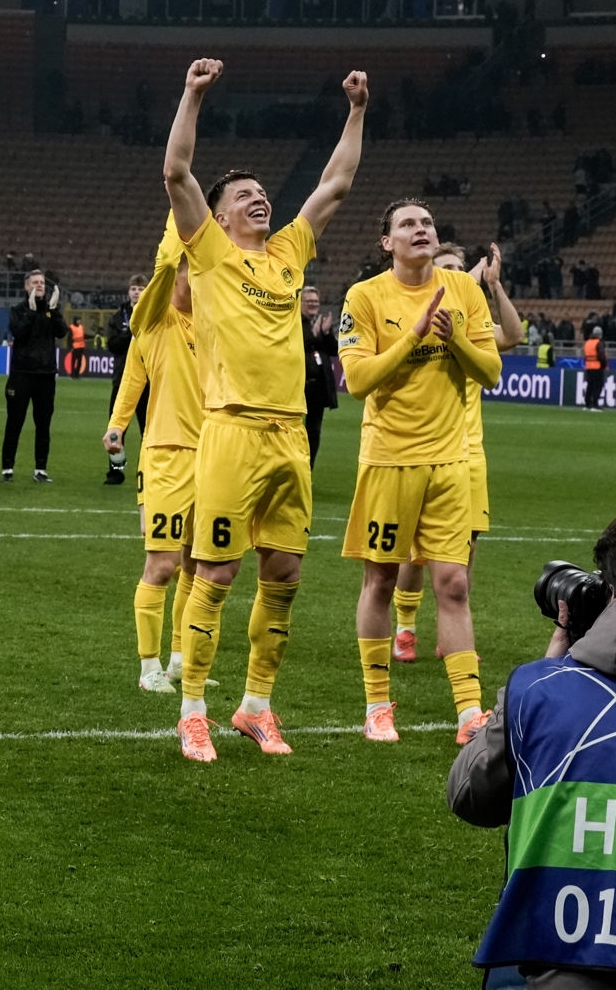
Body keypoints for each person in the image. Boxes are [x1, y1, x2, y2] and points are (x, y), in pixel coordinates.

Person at [163, 57, 367, 762]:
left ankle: (255, 706)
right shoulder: (211, 252)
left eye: (261, 193)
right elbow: (177, 173)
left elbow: (336, 182)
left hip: (290, 438)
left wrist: (357, 111)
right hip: (231, 430)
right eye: (245, 194)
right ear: (217, 216)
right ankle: (193, 710)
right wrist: (193, 96)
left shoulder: (288, 254)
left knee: (283, 573)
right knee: (214, 574)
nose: (259, 199)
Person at [337, 201, 502, 745]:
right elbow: (358, 381)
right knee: (381, 580)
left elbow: (492, 370)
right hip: (389, 462)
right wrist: (413, 336)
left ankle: (468, 711)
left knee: (453, 584)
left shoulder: (467, 292)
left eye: (427, 223)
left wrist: (453, 337)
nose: (421, 230)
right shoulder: (364, 297)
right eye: (407, 224)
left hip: (451, 463)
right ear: (386, 242)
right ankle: (378, 705)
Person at [448, 515, 616, 989]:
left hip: (550, 961)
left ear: (609, 593)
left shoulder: (540, 692)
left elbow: (468, 795)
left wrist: (548, 671)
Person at [390, 241, 524, 663]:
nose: (453, 275)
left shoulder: (473, 330)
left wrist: (494, 285)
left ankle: (451, 634)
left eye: (457, 268)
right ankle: (405, 628)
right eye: (445, 268)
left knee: (465, 548)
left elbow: (514, 336)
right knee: (415, 551)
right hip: (423, 448)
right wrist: (461, 282)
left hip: (470, 455)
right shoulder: (417, 320)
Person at [104, 216, 200, 696]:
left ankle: (181, 659)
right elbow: (132, 378)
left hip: (215, 456)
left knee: (196, 564)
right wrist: (117, 425)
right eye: (191, 273)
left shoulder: (213, 322)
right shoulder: (155, 317)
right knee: (161, 566)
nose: (197, 282)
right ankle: (148, 668)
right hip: (166, 456)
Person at [0, 269, 65, 483]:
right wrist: (31, 309)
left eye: (42, 283)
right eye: (35, 282)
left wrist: (54, 310)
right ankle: (7, 468)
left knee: (43, 424)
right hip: (21, 375)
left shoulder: (50, 308)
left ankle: (41, 469)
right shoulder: (18, 309)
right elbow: (19, 332)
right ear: (26, 286)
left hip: (46, 375)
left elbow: (61, 332)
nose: (40, 285)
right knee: (14, 422)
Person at [103, 276, 150, 485]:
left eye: (141, 288)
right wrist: (131, 331)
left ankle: (148, 472)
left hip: (150, 382)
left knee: (148, 430)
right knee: (117, 429)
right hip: (122, 380)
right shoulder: (117, 317)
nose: (137, 292)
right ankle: (116, 471)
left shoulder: (154, 313)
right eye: (133, 288)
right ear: (128, 292)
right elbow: (112, 345)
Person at [301, 285, 338, 466]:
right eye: (309, 301)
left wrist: (325, 333)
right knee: (294, 429)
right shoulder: (294, 323)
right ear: (300, 303)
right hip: (300, 386)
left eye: (315, 301)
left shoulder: (321, 322)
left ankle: (308, 469)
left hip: (318, 388)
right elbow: (300, 348)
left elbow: (334, 351)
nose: (313, 304)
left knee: (314, 430)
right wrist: (315, 336)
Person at [583, 325, 608, 411]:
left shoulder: (587, 342)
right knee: (598, 385)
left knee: (590, 385)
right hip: (597, 366)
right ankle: (595, 404)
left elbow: (585, 356)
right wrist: (604, 365)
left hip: (588, 366)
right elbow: (601, 355)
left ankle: (587, 404)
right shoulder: (599, 342)